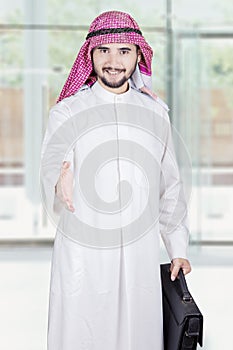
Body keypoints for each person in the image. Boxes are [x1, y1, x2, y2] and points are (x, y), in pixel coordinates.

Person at [41, 10, 191, 350]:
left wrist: (177, 247)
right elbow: (51, 163)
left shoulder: (155, 113)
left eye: (124, 51)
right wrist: (59, 176)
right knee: (81, 333)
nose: (113, 61)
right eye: (104, 51)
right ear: (89, 55)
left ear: (138, 55)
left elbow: (171, 185)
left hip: (140, 252)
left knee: (137, 335)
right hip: (84, 252)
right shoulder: (67, 112)